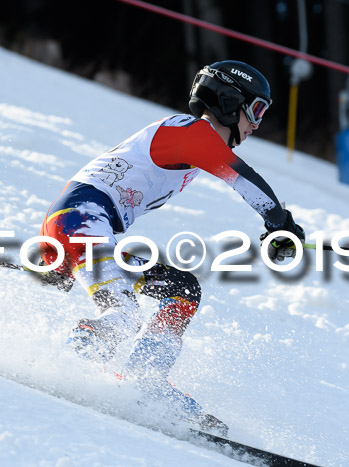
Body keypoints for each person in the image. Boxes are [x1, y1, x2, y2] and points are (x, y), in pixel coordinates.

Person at [38, 60, 305, 434]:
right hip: (81, 222)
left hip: (86, 229)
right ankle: (70, 360)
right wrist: (280, 223)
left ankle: (145, 380)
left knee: (182, 290)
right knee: (124, 313)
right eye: (256, 110)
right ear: (230, 101)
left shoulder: (190, 142)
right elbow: (243, 179)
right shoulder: (190, 132)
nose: (255, 125)